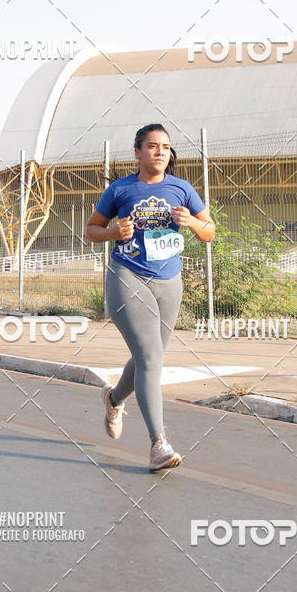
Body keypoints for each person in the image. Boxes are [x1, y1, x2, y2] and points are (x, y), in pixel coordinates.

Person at [86, 124, 215, 471]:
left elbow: (210, 231)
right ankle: (159, 443)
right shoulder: (121, 189)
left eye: (166, 147)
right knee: (150, 356)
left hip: (169, 281)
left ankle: (113, 399)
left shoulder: (182, 189)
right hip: (127, 276)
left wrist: (191, 223)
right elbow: (91, 229)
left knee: (150, 358)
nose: (160, 152)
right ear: (138, 152)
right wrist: (113, 230)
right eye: (153, 146)